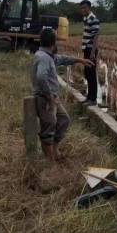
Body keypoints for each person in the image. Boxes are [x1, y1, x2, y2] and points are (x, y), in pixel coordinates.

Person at [31, 28, 94, 161]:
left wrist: (80, 60)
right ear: (53, 43)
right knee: (49, 127)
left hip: (51, 98)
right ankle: (50, 160)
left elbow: (62, 59)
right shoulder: (43, 58)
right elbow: (41, 77)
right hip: (45, 99)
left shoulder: (48, 56)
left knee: (63, 119)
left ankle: (54, 149)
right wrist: (49, 97)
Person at [79, 0, 100, 106]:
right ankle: (89, 97)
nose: (83, 10)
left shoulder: (93, 19)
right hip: (87, 49)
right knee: (87, 73)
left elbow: (96, 37)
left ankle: (93, 99)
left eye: (84, 8)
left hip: (91, 50)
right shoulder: (86, 18)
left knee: (91, 74)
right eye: (81, 8)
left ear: (89, 8)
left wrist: (92, 54)